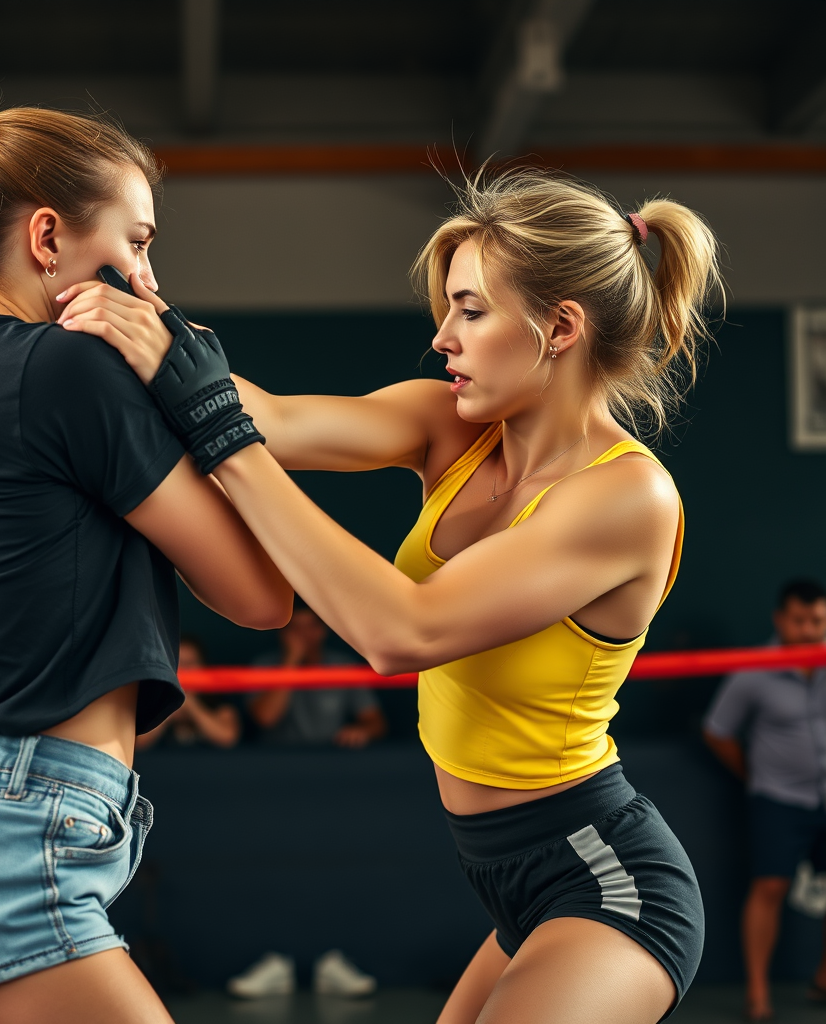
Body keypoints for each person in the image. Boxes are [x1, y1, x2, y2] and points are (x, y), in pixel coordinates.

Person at [92, 166, 723, 1023]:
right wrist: (132, 318)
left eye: (471, 310)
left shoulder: (625, 499)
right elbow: (274, 421)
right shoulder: (450, 424)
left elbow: (402, 630)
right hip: (507, 882)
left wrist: (216, 427)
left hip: (603, 873)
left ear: (560, 327)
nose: (442, 338)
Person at [0, 53, 290, 1024]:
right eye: (137, 241)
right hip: (3, 836)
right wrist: (193, 392)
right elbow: (260, 596)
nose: (151, 277)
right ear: (48, 236)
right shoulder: (64, 372)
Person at [703, 578, 826, 1021]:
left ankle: (823, 979)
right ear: (781, 619)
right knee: (770, 887)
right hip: (777, 797)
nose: (809, 629)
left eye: (818, 620)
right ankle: (758, 994)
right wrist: (755, 774)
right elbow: (717, 730)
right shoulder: (753, 670)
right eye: (800, 620)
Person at [249, 603, 387, 747]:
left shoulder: (343, 666)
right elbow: (266, 718)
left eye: (310, 627)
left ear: (322, 631)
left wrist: (361, 731)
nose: (303, 634)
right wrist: (291, 660)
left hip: (329, 756)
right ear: (283, 633)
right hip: (278, 757)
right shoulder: (264, 664)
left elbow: (376, 722)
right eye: (295, 628)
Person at [136, 636, 241, 749]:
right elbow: (139, 742)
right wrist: (170, 706)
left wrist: (191, 705)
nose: (185, 669)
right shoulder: (152, 697)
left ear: (203, 666)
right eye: (179, 662)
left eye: (190, 663)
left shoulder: (216, 699)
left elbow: (228, 737)